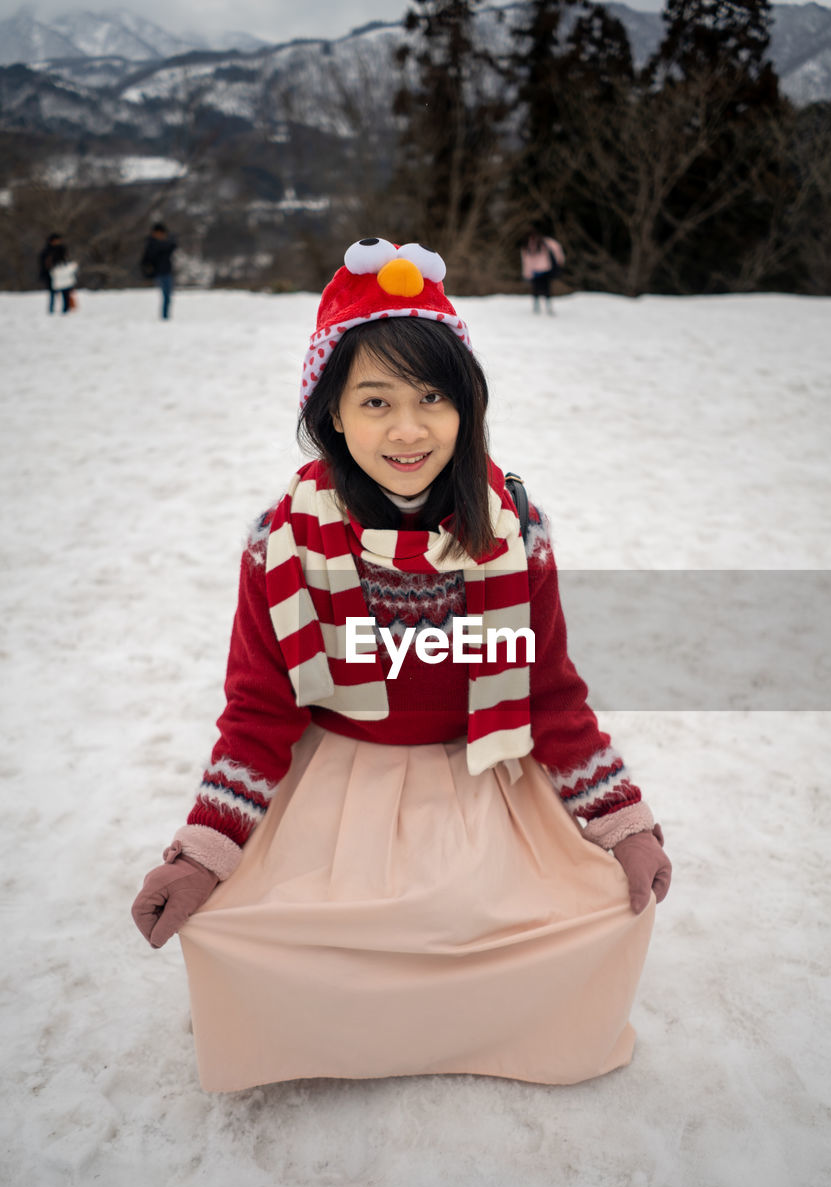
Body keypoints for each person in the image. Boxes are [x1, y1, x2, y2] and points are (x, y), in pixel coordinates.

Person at [131, 236, 671, 1093]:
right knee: (259, 931)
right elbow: (259, 713)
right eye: (375, 401)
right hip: (340, 779)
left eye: (432, 398)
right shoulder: (281, 546)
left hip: (480, 771)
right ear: (332, 414)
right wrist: (202, 854)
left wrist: (623, 823)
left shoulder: (510, 535)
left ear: (467, 410)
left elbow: (548, 693)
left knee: (571, 918)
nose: (409, 429)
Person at [521, 229, 565, 314]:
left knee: (537, 289)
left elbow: (526, 261)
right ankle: (545, 307)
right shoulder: (545, 242)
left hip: (538, 271)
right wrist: (560, 261)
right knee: (545, 289)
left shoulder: (527, 246)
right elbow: (557, 249)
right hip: (544, 269)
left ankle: (539, 306)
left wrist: (527, 274)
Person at [140, 221, 177, 319]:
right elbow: (146, 259)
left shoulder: (164, 243)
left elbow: (173, 246)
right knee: (166, 295)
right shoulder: (152, 244)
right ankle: (164, 317)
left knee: (168, 296)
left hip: (166, 272)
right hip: (160, 273)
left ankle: (165, 316)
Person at [38, 233, 75, 314]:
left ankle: (66, 309)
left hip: (62, 274)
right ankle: (51, 310)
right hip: (51, 275)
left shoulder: (62, 249)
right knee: (52, 293)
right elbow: (43, 264)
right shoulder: (46, 251)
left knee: (65, 292)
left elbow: (66, 260)